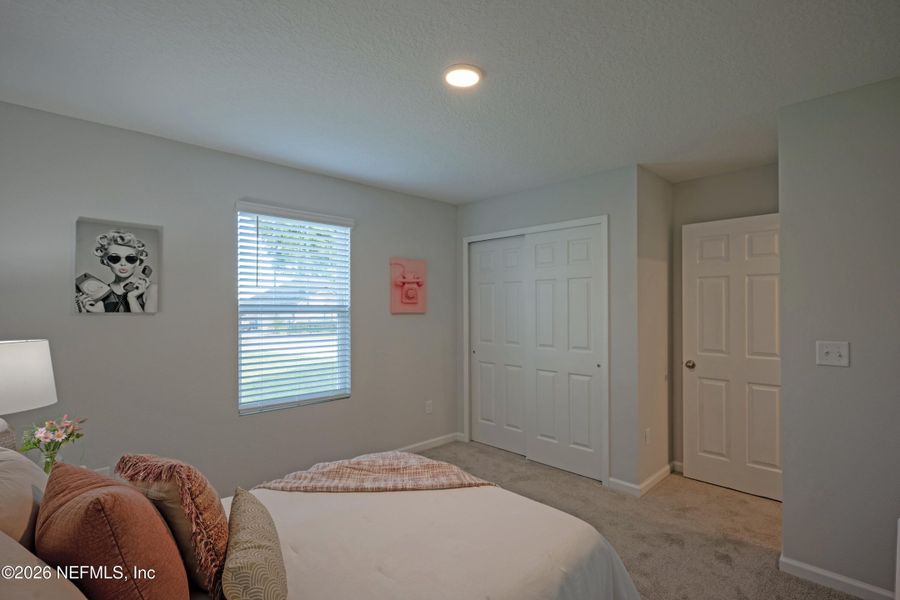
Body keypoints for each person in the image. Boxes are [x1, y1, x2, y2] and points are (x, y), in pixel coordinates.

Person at [76, 230, 158, 313]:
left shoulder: (152, 289)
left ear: (138, 261)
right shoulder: (100, 294)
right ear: (106, 261)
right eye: (115, 258)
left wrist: (132, 298)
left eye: (130, 258)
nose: (123, 264)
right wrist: (84, 312)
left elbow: (148, 324)